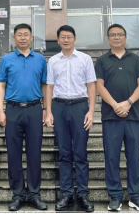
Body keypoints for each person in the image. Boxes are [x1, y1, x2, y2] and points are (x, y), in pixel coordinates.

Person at [95, 24, 139, 212]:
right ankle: (115, 196)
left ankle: (136, 196)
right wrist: (115, 105)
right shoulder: (102, 61)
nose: (116, 37)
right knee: (111, 157)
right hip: (111, 117)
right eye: (113, 35)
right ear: (108, 39)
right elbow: (99, 86)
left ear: (125, 38)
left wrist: (128, 103)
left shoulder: (135, 59)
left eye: (120, 34)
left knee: (134, 157)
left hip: (133, 116)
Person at [44, 25, 96, 213]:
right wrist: (48, 111)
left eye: (69, 37)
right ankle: (66, 194)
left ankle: (82, 194)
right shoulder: (53, 61)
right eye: (63, 37)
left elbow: (91, 86)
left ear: (75, 39)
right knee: (64, 153)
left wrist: (91, 111)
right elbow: (49, 87)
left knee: (80, 153)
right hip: (59, 107)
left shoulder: (85, 59)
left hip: (80, 107)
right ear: (58, 40)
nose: (66, 40)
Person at [0, 24, 48, 212]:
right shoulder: (7, 59)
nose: (23, 38)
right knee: (13, 153)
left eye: (26, 35)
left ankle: (34, 194)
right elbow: (0, 85)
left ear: (31, 37)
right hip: (13, 109)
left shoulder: (40, 59)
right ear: (14, 38)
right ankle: (18, 194)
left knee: (34, 153)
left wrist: (46, 109)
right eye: (19, 35)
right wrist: (0, 110)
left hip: (34, 109)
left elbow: (45, 85)